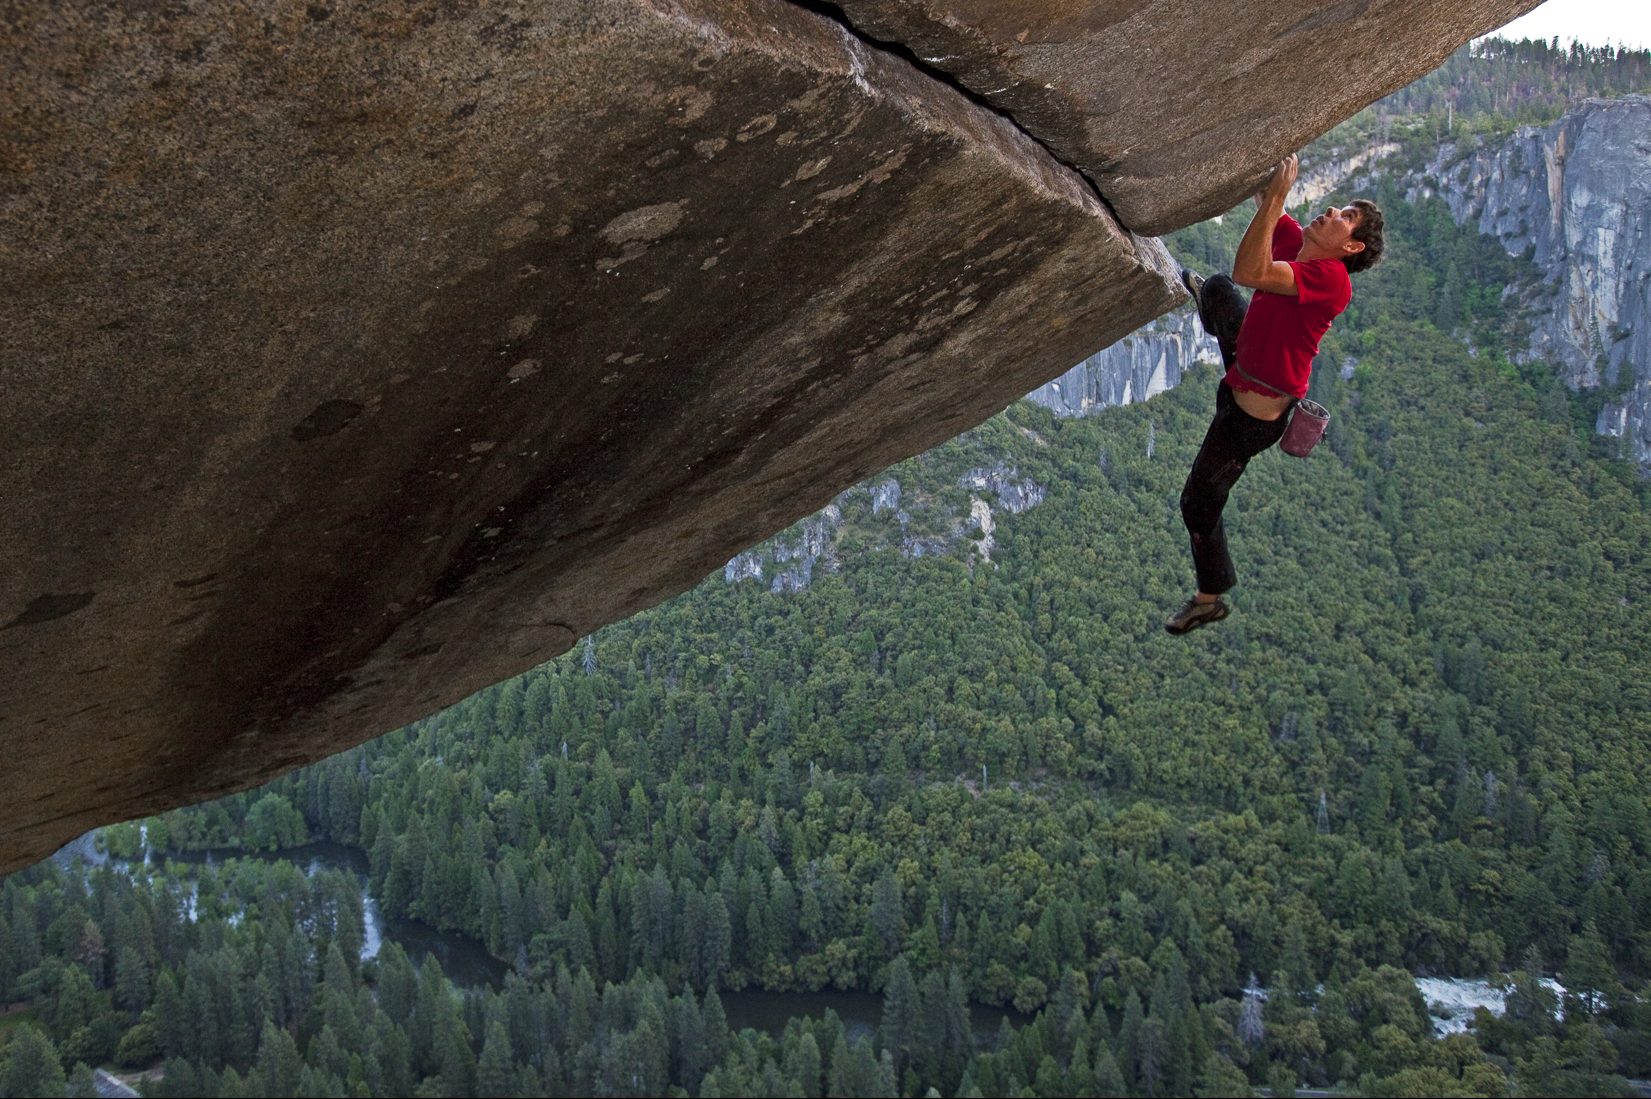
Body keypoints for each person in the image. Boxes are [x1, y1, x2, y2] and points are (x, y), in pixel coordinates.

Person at [1165, 153, 1385, 634]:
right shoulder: (1301, 246)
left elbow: (1252, 270)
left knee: (1198, 503)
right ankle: (1210, 306)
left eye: (1347, 218)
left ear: (1351, 248)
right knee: (1220, 291)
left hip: (1251, 418)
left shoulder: (1332, 282)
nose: (1332, 212)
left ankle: (1209, 598)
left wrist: (1281, 196)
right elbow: (1266, 203)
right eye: (1341, 207)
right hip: (1245, 364)